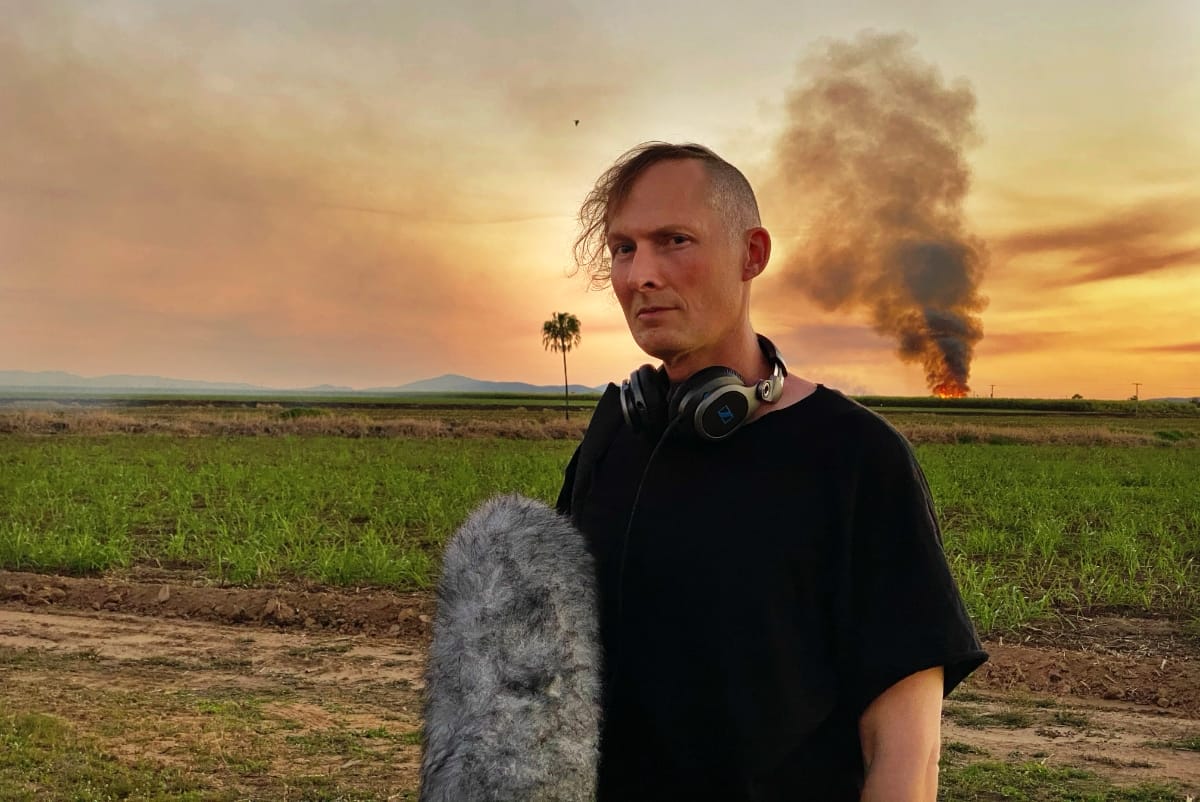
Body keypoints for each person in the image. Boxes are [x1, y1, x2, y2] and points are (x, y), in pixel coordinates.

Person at [555, 142, 987, 801]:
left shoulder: (856, 457)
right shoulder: (612, 437)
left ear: (751, 254)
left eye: (674, 240)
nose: (641, 274)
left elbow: (907, 752)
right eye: (623, 248)